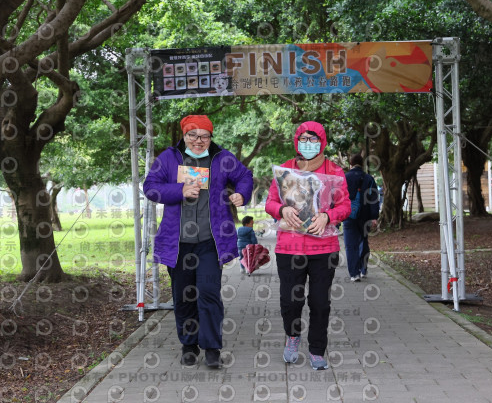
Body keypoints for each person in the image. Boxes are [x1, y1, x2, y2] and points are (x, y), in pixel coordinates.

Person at [143, 114, 253, 368]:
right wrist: (179, 190)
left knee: (209, 293)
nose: (198, 140)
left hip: (210, 242)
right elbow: (150, 187)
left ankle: (212, 348)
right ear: (184, 135)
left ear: (211, 137)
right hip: (178, 243)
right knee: (184, 297)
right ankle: (189, 344)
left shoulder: (222, 158)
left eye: (204, 136)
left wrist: (241, 193)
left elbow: (245, 176)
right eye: (192, 135)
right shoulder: (169, 158)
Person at [265, 121, 351, 370]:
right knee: (290, 301)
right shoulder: (285, 170)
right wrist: (281, 210)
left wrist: (328, 216)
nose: (308, 144)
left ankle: (317, 349)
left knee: (320, 302)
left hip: (324, 248)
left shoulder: (334, 171)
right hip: (289, 248)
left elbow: (345, 205)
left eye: (314, 139)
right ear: (296, 141)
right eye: (304, 139)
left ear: (322, 142)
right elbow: (270, 202)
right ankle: (292, 336)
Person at [343, 154, 381, 282]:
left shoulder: (344, 178)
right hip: (365, 216)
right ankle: (363, 269)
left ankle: (354, 274)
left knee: (350, 245)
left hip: (348, 215)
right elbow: (374, 198)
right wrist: (374, 217)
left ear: (350, 164)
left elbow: (338, 196)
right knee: (363, 242)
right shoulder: (369, 178)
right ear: (362, 164)